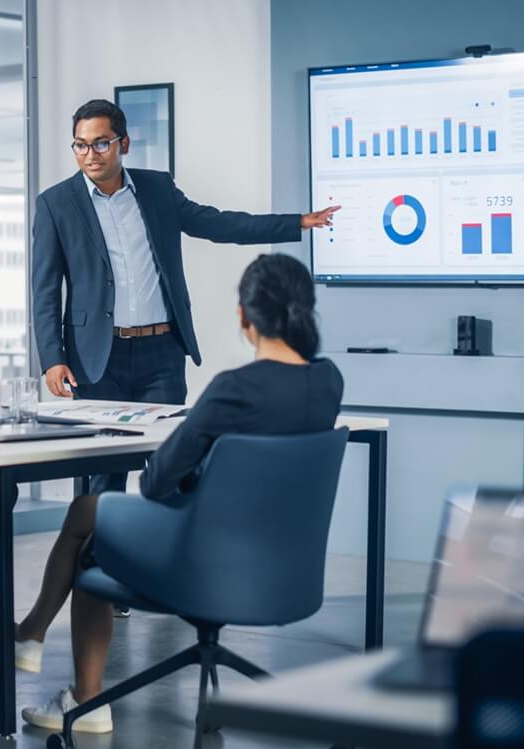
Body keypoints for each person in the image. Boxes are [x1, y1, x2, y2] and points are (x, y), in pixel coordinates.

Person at [13, 253, 345, 735]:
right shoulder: (329, 381)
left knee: (90, 542)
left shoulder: (235, 388)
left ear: (243, 317)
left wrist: (195, 457)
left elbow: (154, 482)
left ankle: (82, 697)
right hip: (282, 569)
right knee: (92, 514)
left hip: (203, 562)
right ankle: (33, 639)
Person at [32, 98, 338, 497]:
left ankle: (167, 553)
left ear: (123, 143)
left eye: (101, 143)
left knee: (170, 468)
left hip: (161, 354)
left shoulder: (157, 188)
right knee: (102, 479)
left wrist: (296, 222)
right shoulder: (56, 204)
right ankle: (98, 556)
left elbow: (218, 223)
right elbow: (45, 288)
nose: (90, 154)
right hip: (96, 360)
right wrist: (53, 359)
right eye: (81, 145)